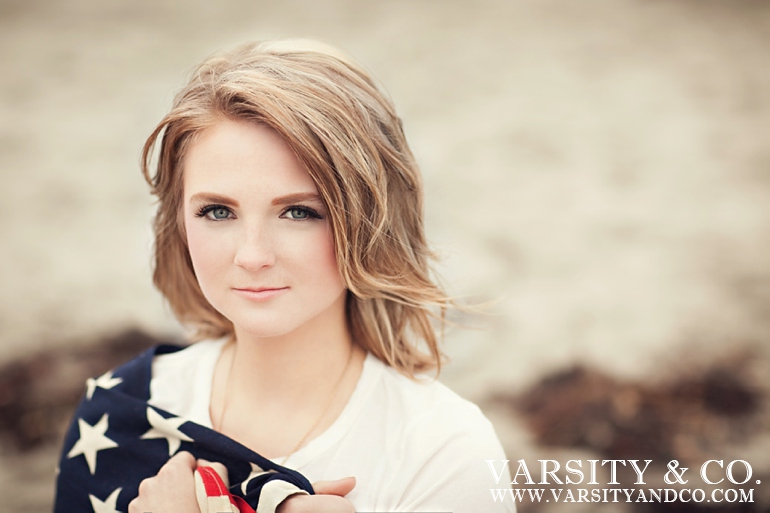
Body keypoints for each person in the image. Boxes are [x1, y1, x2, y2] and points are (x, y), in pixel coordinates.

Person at [54, 39, 514, 513]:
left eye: (298, 212)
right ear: (179, 223)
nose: (252, 255)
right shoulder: (120, 413)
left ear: (369, 222)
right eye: (216, 211)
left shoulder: (443, 454)